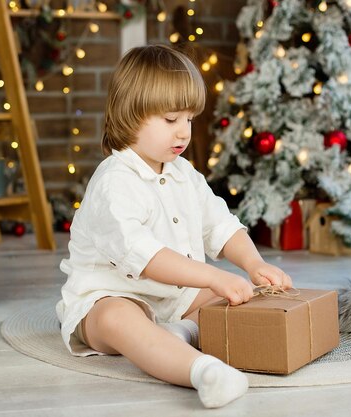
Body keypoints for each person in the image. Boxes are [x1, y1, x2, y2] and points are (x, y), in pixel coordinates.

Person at [56, 44, 293, 409]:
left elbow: (220, 224)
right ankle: (202, 372)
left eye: (189, 120)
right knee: (117, 318)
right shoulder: (114, 182)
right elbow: (146, 257)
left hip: (176, 299)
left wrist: (252, 263)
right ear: (131, 115)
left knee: (229, 302)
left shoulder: (184, 174)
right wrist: (212, 276)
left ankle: (175, 335)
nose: (183, 132)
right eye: (170, 120)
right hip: (111, 295)